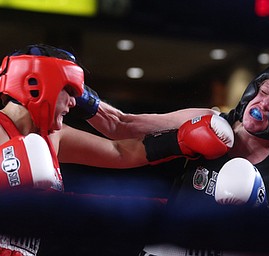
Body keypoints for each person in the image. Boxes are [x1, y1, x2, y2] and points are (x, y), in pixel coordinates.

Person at [0, 44, 235, 256]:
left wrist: (180, 142)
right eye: (69, 92)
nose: (73, 103)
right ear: (38, 85)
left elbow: (119, 151)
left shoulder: (52, 136)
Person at [81, 60, 269, 254]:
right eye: (264, 91)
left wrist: (258, 208)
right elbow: (122, 125)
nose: (263, 103)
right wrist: (78, 95)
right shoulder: (209, 121)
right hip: (169, 248)